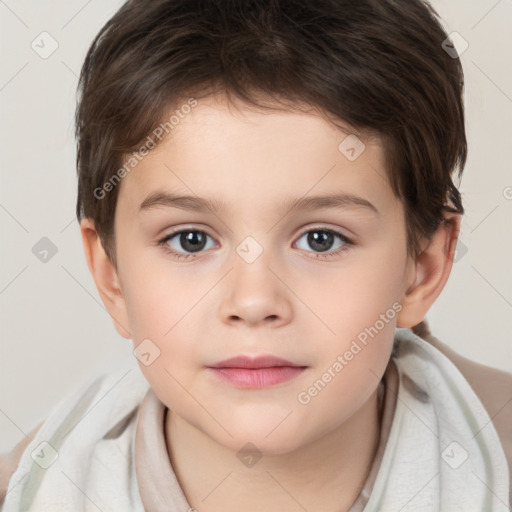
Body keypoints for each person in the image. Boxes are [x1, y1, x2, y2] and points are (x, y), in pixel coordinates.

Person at [1, 0, 511, 510]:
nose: (253, 301)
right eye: (191, 240)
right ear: (112, 277)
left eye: (321, 239)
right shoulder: (29, 490)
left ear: (421, 269)